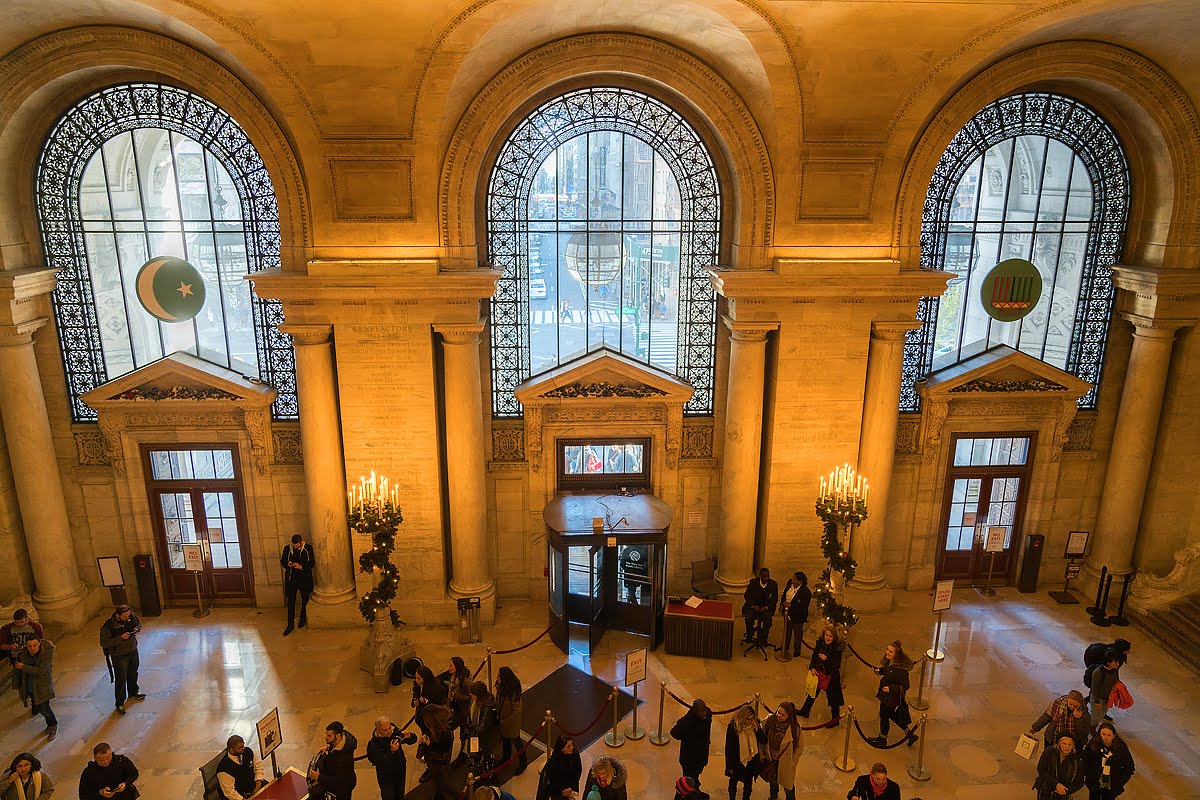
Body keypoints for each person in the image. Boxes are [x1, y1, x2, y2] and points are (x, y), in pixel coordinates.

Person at [868, 640, 916, 748]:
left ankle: (882, 739)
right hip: (886, 696)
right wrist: (879, 671)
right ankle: (910, 734)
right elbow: (887, 671)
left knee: (884, 716)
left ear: (896, 654)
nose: (887, 652)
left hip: (891, 698)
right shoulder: (890, 662)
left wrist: (891, 688)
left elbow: (905, 686)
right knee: (890, 715)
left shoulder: (900, 670)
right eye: (887, 649)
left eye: (891, 651)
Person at [99, 604, 144, 715]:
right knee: (121, 679)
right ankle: (120, 703)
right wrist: (120, 638)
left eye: (128, 615)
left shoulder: (130, 617)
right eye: (125, 616)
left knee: (133, 672)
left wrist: (137, 629)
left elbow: (138, 624)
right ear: (117, 615)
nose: (128, 618)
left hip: (132, 650)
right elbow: (104, 643)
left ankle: (133, 692)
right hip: (119, 655)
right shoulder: (108, 627)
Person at [13, 638, 56, 740]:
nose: (32, 648)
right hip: (30, 687)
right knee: (36, 703)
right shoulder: (24, 654)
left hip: (42, 688)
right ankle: (35, 708)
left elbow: (40, 671)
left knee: (45, 709)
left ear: (39, 643)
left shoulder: (46, 655)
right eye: (29, 646)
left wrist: (23, 667)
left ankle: (52, 725)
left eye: (35, 645)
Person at [366, 715, 417, 800]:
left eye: (390, 727)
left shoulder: (394, 732)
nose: (390, 731)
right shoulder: (373, 745)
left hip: (400, 770)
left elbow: (413, 740)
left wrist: (409, 736)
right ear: (378, 730)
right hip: (387, 777)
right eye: (385, 730)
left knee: (400, 794)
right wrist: (392, 751)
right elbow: (381, 763)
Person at [1, 610, 43, 704]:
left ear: (27, 619)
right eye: (17, 622)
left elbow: (41, 642)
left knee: (32, 680)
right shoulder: (8, 629)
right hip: (17, 658)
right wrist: (10, 647)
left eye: (22, 622)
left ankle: (34, 699)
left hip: (32, 657)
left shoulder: (35, 627)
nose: (19, 625)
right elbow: (2, 645)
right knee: (21, 680)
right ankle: (25, 696)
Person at [1083, 722, 1135, 800]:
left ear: (1114, 736)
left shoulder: (1121, 748)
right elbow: (1085, 758)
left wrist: (1120, 782)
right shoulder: (1094, 744)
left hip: (1111, 785)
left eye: (1109, 735)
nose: (1106, 737)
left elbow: (1129, 767)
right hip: (1095, 782)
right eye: (1103, 734)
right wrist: (1087, 773)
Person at [308, 721, 358, 800]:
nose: (326, 737)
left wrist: (319, 777)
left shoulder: (344, 759)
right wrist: (329, 747)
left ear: (338, 736)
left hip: (342, 789)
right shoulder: (342, 738)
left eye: (329, 735)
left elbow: (337, 781)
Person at [761, 702, 801, 800]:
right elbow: (761, 733)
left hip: (786, 761)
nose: (779, 716)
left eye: (783, 715)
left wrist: (793, 761)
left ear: (789, 716)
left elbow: (799, 746)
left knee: (788, 785)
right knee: (773, 780)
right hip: (771, 759)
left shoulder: (794, 728)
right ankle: (773, 795)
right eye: (778, 712)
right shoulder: (770, 720)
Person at [670, 698, 712, 789]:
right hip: (689, 758)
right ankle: (691, 792)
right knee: (688, 780)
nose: (704, 713)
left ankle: (694, 788)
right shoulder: (687, 721)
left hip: (701, 754)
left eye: (704, 710)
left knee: (696, 774)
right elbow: (674, 733)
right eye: (701, 712)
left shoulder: (708, 715)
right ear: (695, 711)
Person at [417, 704, 455, 800]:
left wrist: (429, 744)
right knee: (438, 781)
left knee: (441, 781)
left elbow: (443, 749)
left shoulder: (445, 732)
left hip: (439, 762)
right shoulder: (436, 727)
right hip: (434, 761)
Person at [724, 704, 762, 800]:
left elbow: (764, 740)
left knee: (748, 784)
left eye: (751, 718)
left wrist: (758, 730)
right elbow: (729, 748)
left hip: (751, 760)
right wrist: (729, 766)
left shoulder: (755, 724)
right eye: (747, 719)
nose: (749, 721)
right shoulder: (733, 727)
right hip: (737, 760)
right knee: (733, 781)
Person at [280, 534, 315, 636]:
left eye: (297, 546)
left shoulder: (308, 548)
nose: (295, 547)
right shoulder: (287, 548)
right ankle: (290, 624)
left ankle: (302, 618)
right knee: (291, 601)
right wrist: (288, 564)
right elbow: (283, 561)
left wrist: (301, 566)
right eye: (294, 546)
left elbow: (312, 563)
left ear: (301, 542)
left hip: (304, 578)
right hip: (291, 578)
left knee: (305, 598)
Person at [494, 666, 527, 774]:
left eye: (499, 676)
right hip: (502, 721)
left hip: (511, 724)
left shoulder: (513, 691)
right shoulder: (500, 687)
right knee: (505, 741)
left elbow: (517, 711)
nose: (497, 677)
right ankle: (506, 758)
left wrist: (505, 721)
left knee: (516, 742)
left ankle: (523, 762)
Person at [462, 681, 498, 779]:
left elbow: (484, 725)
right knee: (476, 754)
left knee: (485, 755)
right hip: (475, 734)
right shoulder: (474, 701)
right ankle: (478, 768)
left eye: (472, 693)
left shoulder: (487, 707)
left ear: (478, 694)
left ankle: (487, 773)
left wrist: (471, 732)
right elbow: (469, 714)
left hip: (484, 737)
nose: (470, 695)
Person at [1035, 733, 1086, 799]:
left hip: (1062, 795)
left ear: (1073, 746)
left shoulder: (1076, 761)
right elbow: (1041, 769)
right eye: (1064, 743)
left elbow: (1080, 782)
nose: (1067, 747)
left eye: (1069, 744)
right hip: (1045, 791)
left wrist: (1067, 791)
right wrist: (1056, 784)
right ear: (1059, 744)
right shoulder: (1049, 752)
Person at [216, 734, 265, 800]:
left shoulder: (247, 751)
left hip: (252, 787)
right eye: (240, 747)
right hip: (238, 796)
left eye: (243, 745)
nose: (243, 748)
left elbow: (258, 767)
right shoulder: (223, 769)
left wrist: (257, 787)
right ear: (231, 750)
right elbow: (230, 793)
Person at [741, 567, 779, 644]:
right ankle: (750, 634)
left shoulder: (773, 584)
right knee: (748, 619)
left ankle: (763, 638)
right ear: (760, 576)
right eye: (764, 577)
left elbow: (774, 599)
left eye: (768, 576)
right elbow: (747, 596)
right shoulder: (753, 583)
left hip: (766, 608)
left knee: (768, 621)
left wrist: (766, 607)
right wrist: (753, 605)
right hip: (753, 607)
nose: (766, 578)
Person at [446, 657, 473, 760]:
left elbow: (471, 697)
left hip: (463, 711)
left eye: (451, 665)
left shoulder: (465, 681)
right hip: (454, 708)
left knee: (463, 732)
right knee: (449, 728)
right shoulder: (453, 676)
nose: (449, 667)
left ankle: (464, 752)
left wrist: (457, 696)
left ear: (457, 667)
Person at [779, 572, 811, 657]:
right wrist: (782, 604)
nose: (792, 580)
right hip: (787, 613)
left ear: (800, 581)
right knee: (787, 630)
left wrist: (790, 606)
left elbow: (803, 606)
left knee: (797, 633)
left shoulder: (806, 592)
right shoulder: (789, 584)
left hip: (798, 616)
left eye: (794, 579)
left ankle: (797, 649)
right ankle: (785, 646)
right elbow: (784, 595)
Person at [1087, 650, 1122, 724]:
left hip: (1107, 698)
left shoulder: (1115, 670)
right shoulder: (1098, 672)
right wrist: (1097, 702)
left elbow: (1116, 680)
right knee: (1095, 717)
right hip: (1098, 698)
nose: (1118, 664)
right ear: (1108, 663)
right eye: (1115, 662)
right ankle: (1092, 728)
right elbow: (1094, 688)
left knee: (1102, 714)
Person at [412, 665, 448, 734]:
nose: (416, 680)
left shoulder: (435, 687)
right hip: (422, 714)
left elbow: (438, 705)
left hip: (432, 716)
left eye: (418, 678)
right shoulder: (417, 685)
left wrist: (427, 702)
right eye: (415, 678)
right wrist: (415, 702)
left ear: (425, 678)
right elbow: (415, 695)